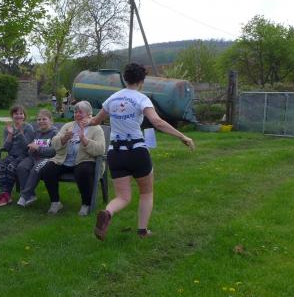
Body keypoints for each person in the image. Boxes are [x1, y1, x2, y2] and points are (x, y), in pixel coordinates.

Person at [85, 63, 194, 240]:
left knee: (123, 197)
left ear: (125, 79)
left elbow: (96, 121)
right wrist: (182, 136)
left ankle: (108, 212)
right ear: (142, 81)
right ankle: (142, 231)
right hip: (136, 151)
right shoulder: (142, 99)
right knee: (146, 192)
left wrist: (85, 121)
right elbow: (157, 122)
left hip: (115, 152)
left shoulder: (112, 99)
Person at [38, 101, 105, 216]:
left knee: (83, 171)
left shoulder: (96, 128)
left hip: (85, 160)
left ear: (89, 114)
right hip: (64, 160)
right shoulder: (68, 126)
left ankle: (86, 204)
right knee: (47, 169)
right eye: (75, 112)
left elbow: (100, 149)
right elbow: (54, 143)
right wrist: (63, 139)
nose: (77, 114)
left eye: (80, 112)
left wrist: (84, 140)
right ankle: (55, 202)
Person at [15, 109, 58, 207]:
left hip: (46, 159)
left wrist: (38, 148)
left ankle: (24, 196)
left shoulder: (55, 133)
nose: (41, 121)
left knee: (36, 169)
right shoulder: (37, 133)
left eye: (44, 119)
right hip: (33, 157)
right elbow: (30, 146)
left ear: (50, 120)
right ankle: (31, 195)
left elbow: (54, 151)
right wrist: (30, 149)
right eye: (39, 119)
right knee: (21, 167)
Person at [0, 104, 34, 207]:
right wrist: (10, 135)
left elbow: (27, 147)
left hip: (24, 156)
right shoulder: (8, 128)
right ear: (12, 115)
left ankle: (5, 195)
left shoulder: (28, 128)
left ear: (24, 115)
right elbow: (6, 148)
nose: (19, 116)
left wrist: (20, 134)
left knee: (11, 166)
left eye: (21, 113)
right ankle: (6, 193)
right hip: (12, 155)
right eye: (16, 113)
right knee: (1, 165)